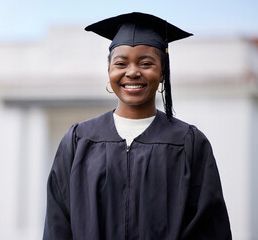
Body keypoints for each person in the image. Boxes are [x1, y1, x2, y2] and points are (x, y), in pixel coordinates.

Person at [43, 12, 232, 240]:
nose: (132, 72)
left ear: (163, 72)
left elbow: (209, 229)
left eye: (146, 63)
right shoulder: (78, 140)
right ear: (109, 71)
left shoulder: (188, 143)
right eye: (121, 63)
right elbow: (58, 225)